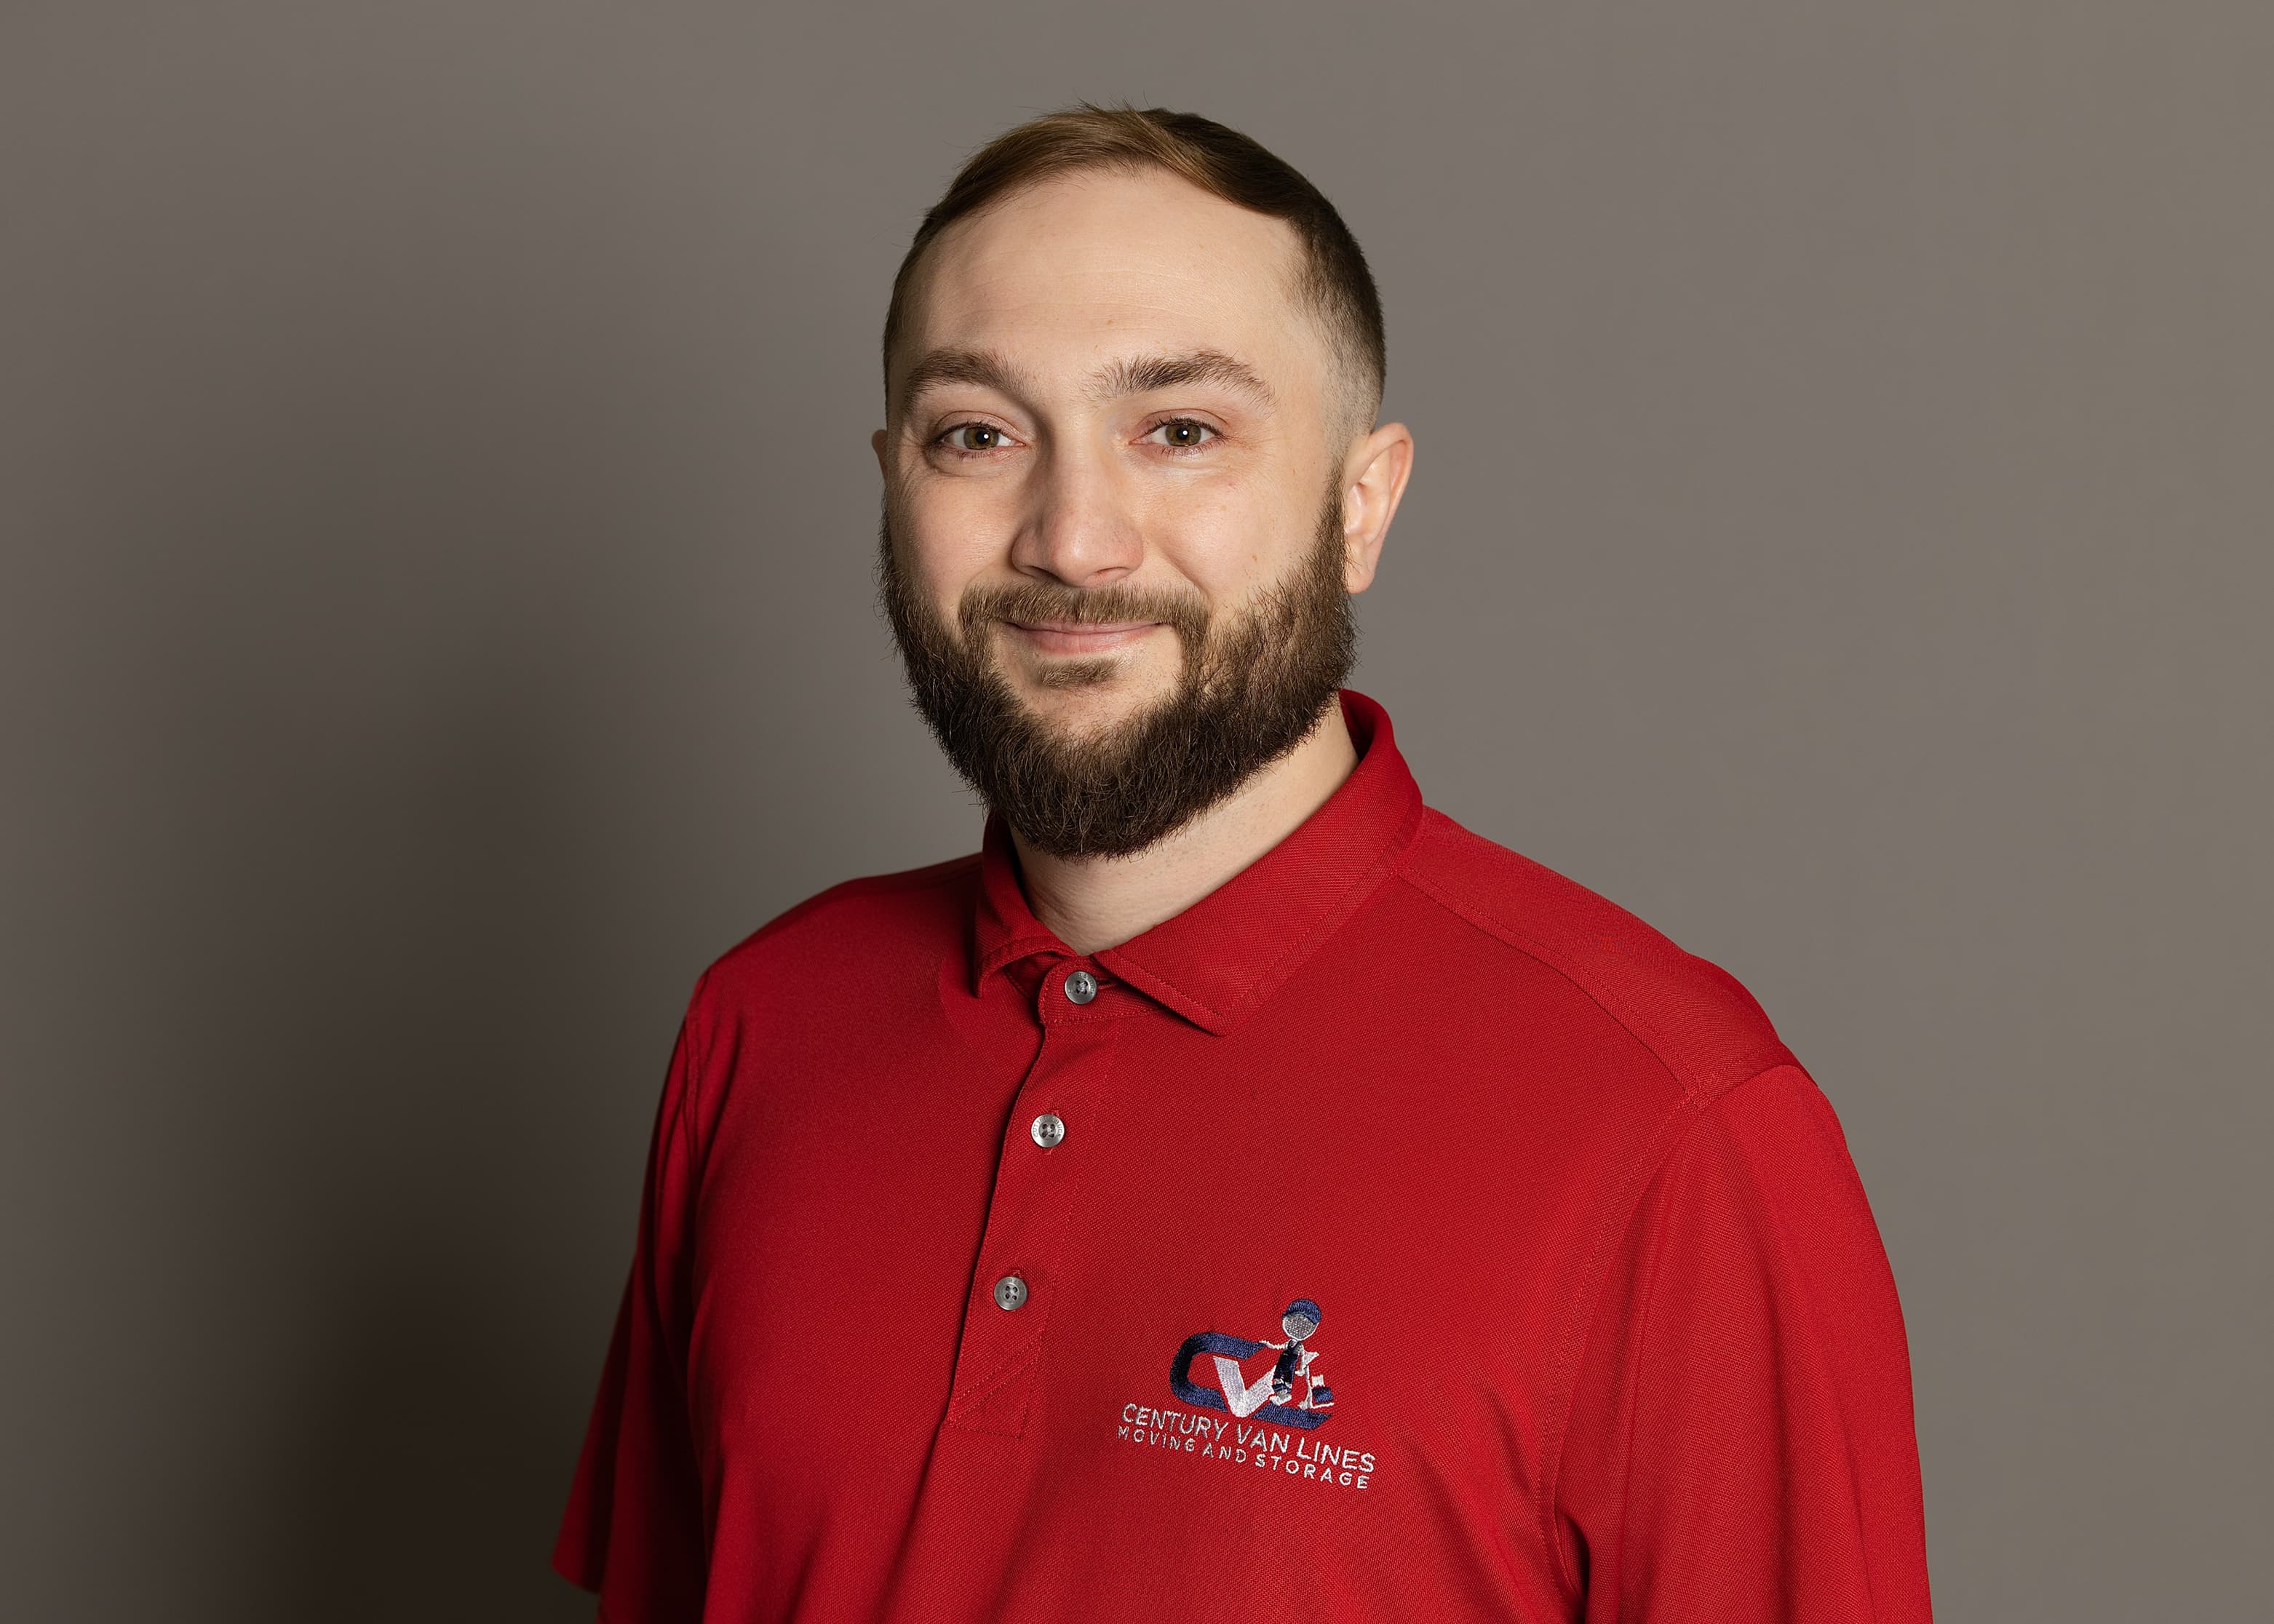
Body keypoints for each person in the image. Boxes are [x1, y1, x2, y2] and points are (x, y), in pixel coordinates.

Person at [552, 103, 1933, 1623]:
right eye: (978, 435)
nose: (1074, 539)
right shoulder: (762, 1023)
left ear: (1362, 503)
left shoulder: (1677, 1125)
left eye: (1182, 430)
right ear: (894, 482)